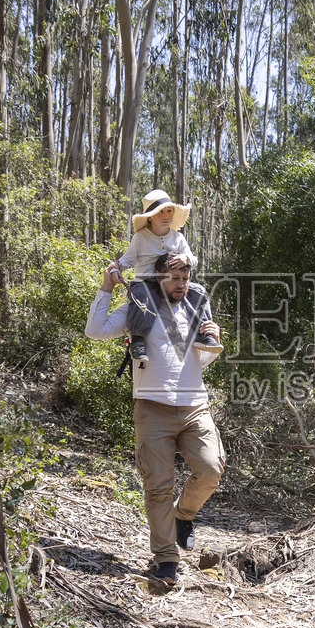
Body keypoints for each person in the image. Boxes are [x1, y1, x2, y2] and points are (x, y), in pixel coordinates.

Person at [85, 251, 224, 588]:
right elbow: (95, 330)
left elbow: (199, 362)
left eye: (186, 278)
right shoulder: (139, 307)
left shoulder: (194, 306)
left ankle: (183, 515)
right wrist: (106, 287)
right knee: (158, 486)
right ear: (158, 276)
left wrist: (214, 340)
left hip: (194, 406)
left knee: (211, 468)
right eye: (175, 278)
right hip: (152, 407)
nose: (182, 284)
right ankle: (165, 561)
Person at [110, 189, 220, 370]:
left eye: (169, 211)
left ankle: (204, 333)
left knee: (198, 291)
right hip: (145, 282)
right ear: (150, 217)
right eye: (160, 211)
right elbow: (127, 259)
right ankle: (137, 339)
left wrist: (186, 259)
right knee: (142, 298)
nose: (166, 215)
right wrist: (117, 267)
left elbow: (193, 259)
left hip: (173, 282)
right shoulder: (141, 237)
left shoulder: (178, 237)